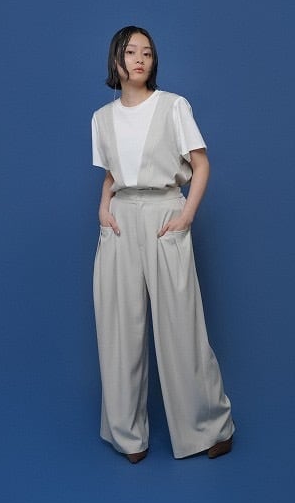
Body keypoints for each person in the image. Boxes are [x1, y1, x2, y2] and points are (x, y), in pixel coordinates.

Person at [92, 25, 234, 463]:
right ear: (116, 60)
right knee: (118, 329)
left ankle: (211, 428)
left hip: (164, 215)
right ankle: (127, 436)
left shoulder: (173, 106)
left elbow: (200, 164)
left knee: (181, 327)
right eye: (130, 52)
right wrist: (103, 208)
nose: (139, 59)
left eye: (147, 53)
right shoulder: (101, 118)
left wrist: (186, 216)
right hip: (120, 221)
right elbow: (113, 173)